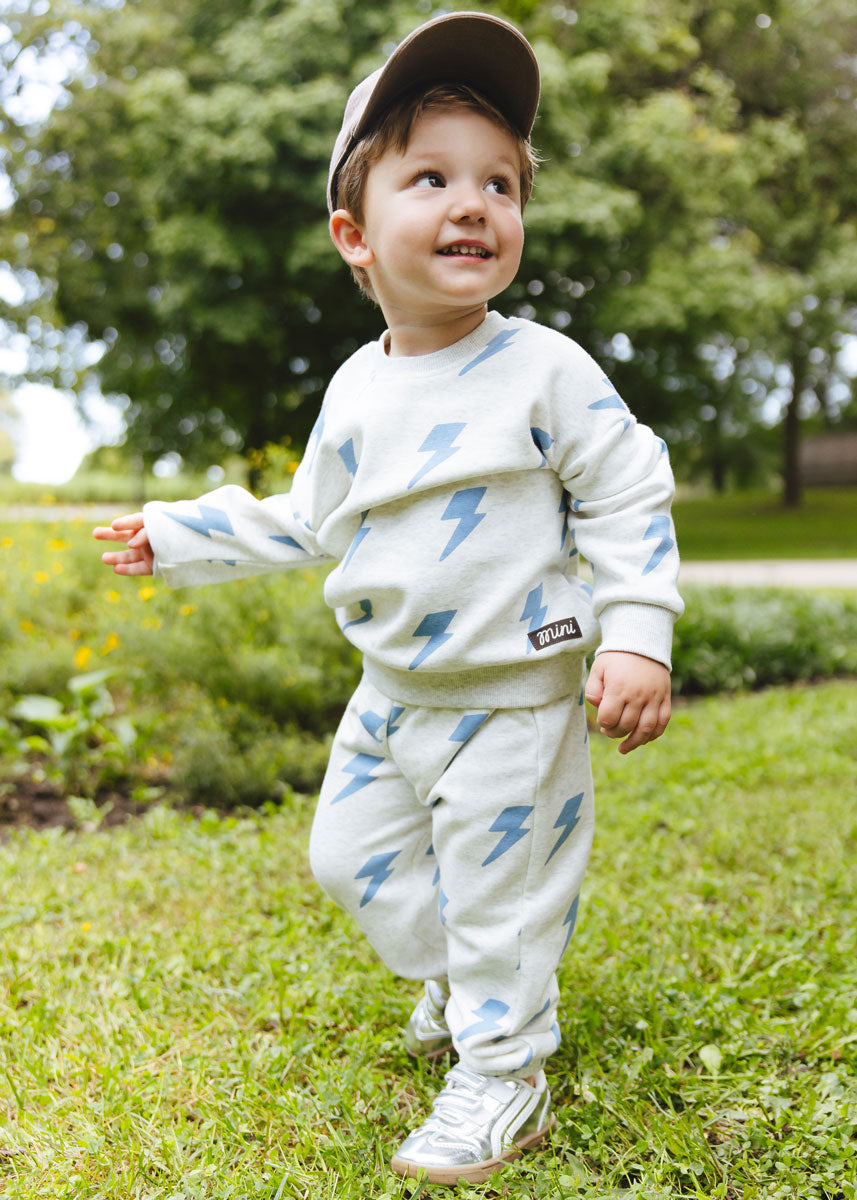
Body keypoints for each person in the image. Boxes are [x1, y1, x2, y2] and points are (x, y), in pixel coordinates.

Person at [95, 11, 683, 1186]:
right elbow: (310, 519)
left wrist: (637, 632)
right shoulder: (357, 389)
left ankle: (503, 1069)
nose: (474, 204)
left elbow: (627, 487)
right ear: (354, 236)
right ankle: (467, 980)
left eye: (499, 183)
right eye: (433, 179)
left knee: (500, 893)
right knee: (347, 860)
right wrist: (180, 534)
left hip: (512, 699)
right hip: (389, 696)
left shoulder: (543, 368)